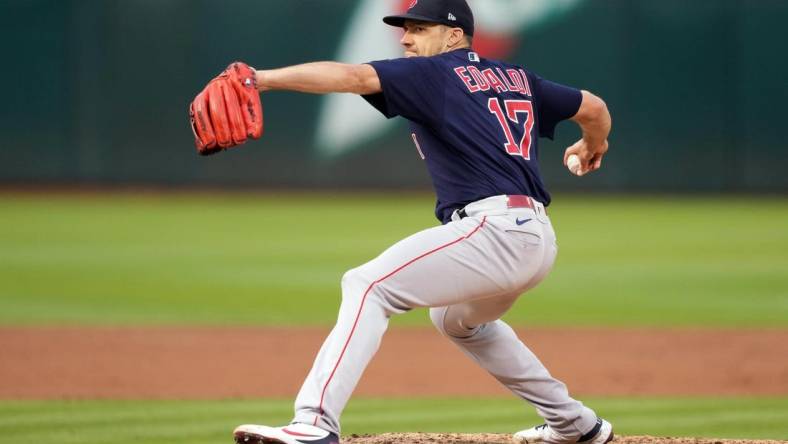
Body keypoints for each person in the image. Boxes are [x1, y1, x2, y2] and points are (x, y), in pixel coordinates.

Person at [231, 1, 612, 443]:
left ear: (454, 35)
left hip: (493, 231)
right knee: (454, 320)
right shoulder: (518, 78)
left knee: (368, 285)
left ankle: (314, 423)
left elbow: (352, 77)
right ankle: (576, 424)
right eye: (404, 29)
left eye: (418, 28)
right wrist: (591, 144)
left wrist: (259, 79)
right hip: (535, 238)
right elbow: (595, 107)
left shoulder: (434, 73)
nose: (406, 38)